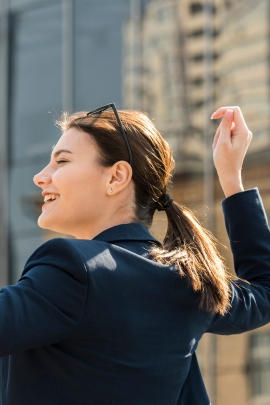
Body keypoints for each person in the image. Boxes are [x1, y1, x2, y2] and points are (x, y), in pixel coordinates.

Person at [0, 104, 269, 405]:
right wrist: (231, 178)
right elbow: (264, 293)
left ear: (116, 178)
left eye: (61, 161)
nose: (40, 177)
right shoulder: (189, 280)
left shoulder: (72, 268)